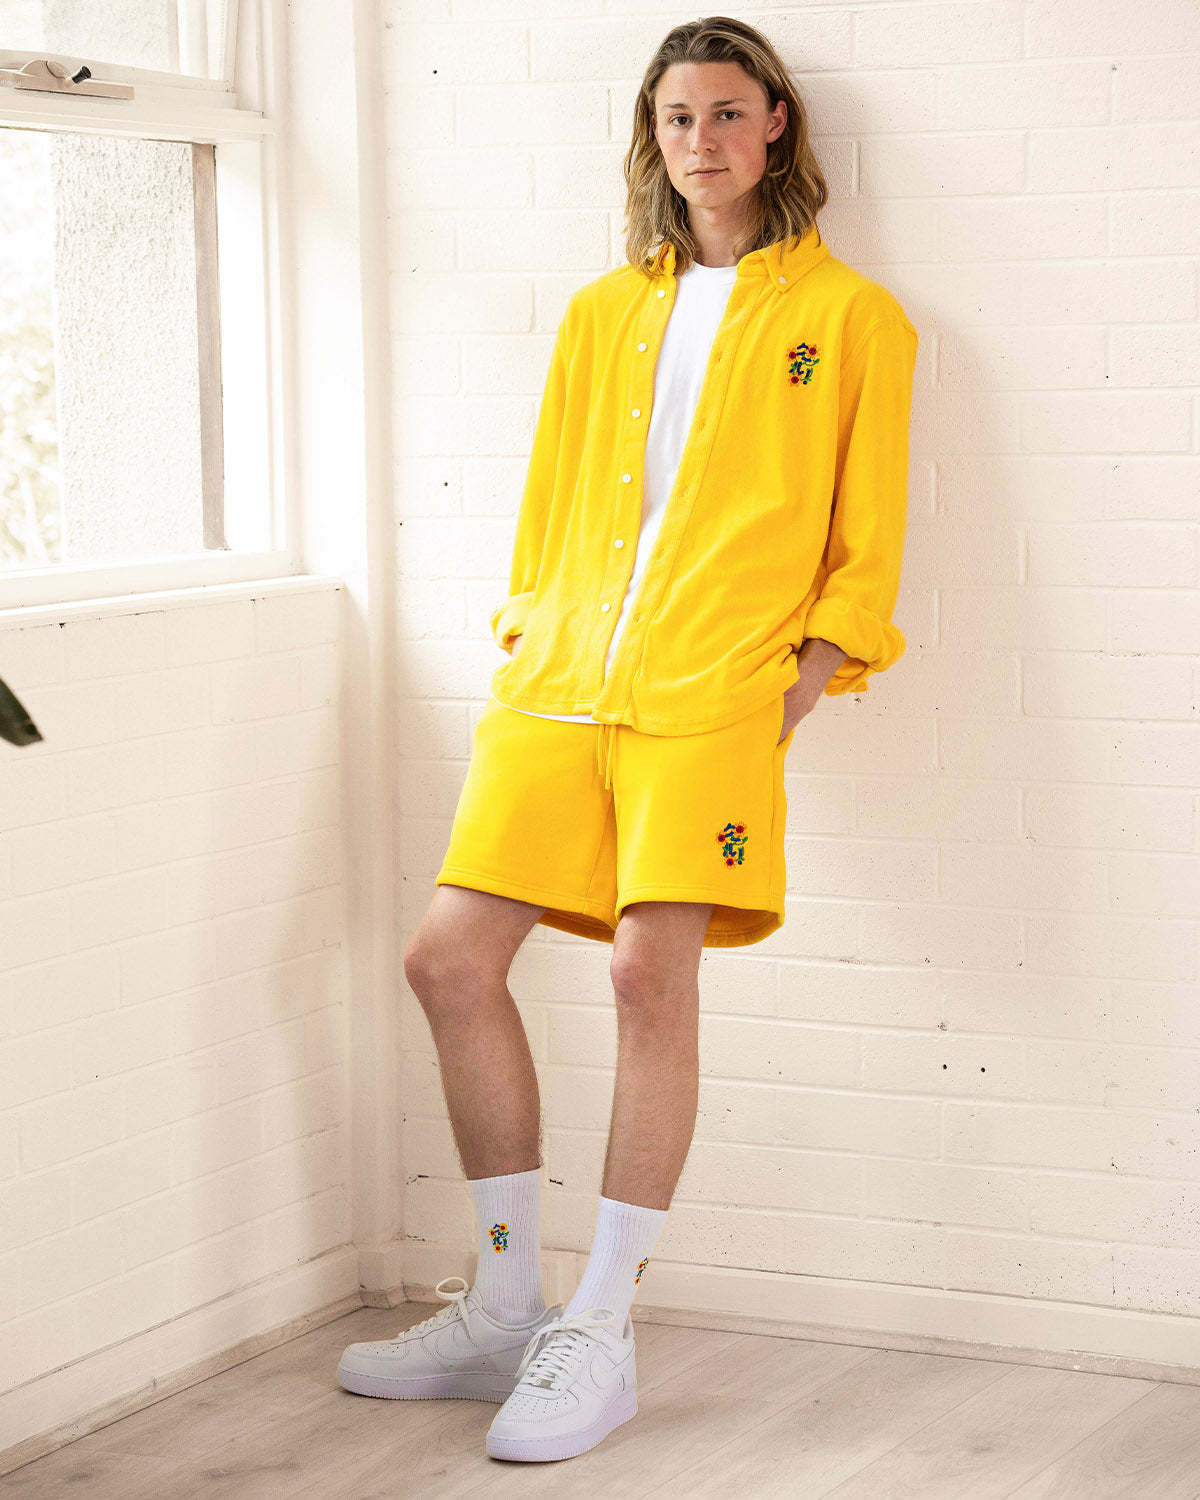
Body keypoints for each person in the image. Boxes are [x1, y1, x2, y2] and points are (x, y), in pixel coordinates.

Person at [336, 16, 918, 1465]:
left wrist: (806, 679)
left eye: (726, 112)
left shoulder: (854, 318)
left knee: (651, 973)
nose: (701, 140)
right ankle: (503, 1304)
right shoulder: (604, 312)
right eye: (675, 118)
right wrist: (529, 622)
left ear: (775, 126)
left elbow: (867, 534)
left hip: (714, 691)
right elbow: (549, 505)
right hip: (560, 678)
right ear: (651, 138)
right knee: (447, 959)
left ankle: (599, 1325)